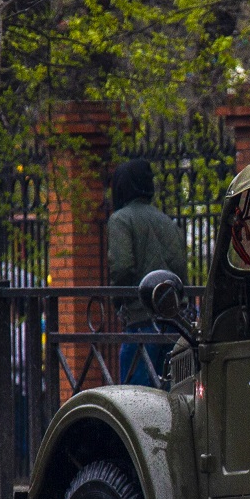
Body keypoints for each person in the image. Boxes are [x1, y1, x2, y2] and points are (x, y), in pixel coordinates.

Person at [106, 158, 188, 386]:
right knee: (171, 392)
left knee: (136, 398)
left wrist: (118, 301)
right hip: (173, 323)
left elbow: (122, 267)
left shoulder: (120, 219)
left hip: (140, 321)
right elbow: (179, 268)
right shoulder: (166, 222)